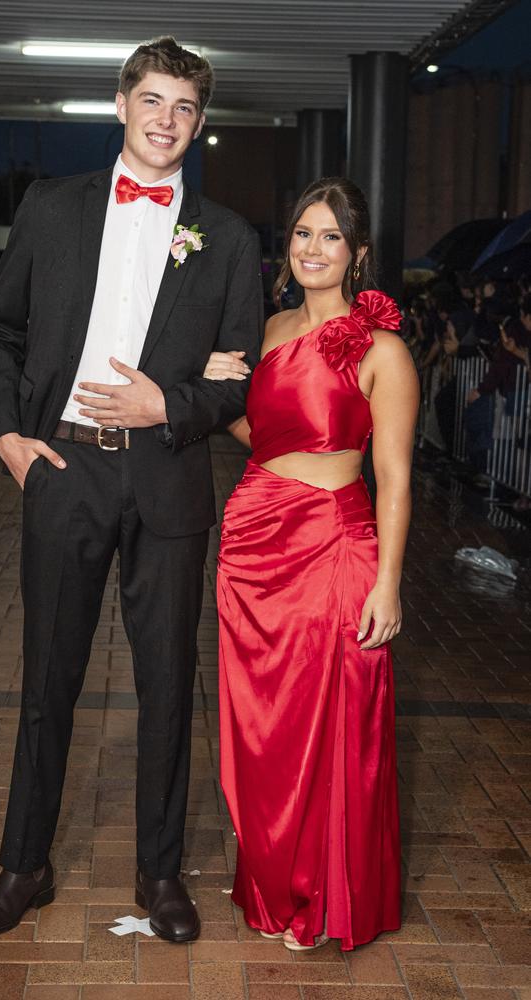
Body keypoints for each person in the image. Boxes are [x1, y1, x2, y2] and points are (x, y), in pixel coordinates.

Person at [0, 36, 263, 943]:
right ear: (122, 105)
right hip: (64, 467)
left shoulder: (230, 237)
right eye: (154, 101)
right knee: (48, 678)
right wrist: (9, 436)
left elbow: (238, 381)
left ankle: (161, 874)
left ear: (199, 123)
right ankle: (25, 867)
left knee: (168, 685)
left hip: (168, 476)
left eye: (186, 108)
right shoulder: (51, 208)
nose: (168, 121)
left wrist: (164, 403)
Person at [203, 177, 419, 951]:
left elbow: (393, 476)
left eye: (331, 237)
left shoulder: (384, 349)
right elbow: (250, 427)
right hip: (253, 543)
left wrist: (388, 581)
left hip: (336, 546)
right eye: (302, 233)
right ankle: (273, 882)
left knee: (335, 727)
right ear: (286, 245)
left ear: (357, 254)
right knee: (263, 732)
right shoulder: (260, 332)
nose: (314, 249)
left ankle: (326, 897)